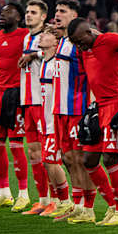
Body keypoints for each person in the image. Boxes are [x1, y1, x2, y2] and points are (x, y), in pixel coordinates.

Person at [68, 17, 118, 226]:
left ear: (90, 32)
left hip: (114, 104)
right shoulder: (83, 50)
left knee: (110, 159)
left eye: (80, 40)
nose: (79, 46)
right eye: (75, 43)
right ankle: (112, 207)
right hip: (97, 106)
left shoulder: (109, 40)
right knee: (89, 160)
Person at [49, 0, 97, 223]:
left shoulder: (82, 42)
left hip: (77, 109)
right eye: (56, 11)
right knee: (68, 159)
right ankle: (77, 205)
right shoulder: (61, 41)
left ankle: (88, 208)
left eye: (63, 11)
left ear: (75, 16)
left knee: (80, 158)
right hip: (60, 110)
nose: (57, 14)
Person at [0, 4, 30, 212]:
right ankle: (4, 193)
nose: (3, 14)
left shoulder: (26, 35)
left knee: (16, 145)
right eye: (1, 11)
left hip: (16, 94)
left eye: (8, 11)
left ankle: (24, 194)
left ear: (19, 16)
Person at [17, 0, 52, 215]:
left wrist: (34, 54)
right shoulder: (26, 37)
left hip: (42, 101)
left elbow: (53, 53)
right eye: (27, 11)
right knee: (33, 153)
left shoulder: (46, 38)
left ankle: (58, 199)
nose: (28, 15)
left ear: (43, 17)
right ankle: (42, 199)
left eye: (33, 12)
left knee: (48, 152)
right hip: (27, 100)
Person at [37, 27, 73, 218]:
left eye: (47, 34)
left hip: (54, 121)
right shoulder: (45, 61)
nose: (42, 36)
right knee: (47, 161)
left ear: (55, 42)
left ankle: (65, 201)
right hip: (45, 121)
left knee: (51, 161)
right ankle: (59, 201)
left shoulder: (56, 64)